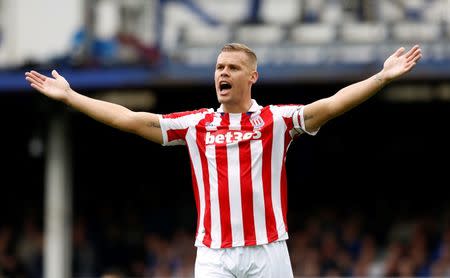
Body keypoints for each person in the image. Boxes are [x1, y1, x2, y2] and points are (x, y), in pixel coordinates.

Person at [24, 42, 422, 277]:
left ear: (252, 77)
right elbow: (130, 120)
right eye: (218, 67)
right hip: (214, 253)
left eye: (232, 67)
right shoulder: (196, 124)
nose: (223, 73)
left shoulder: (277, 120)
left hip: (269, 249)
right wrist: (71, 97)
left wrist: (381, 78)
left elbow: (331, 105)